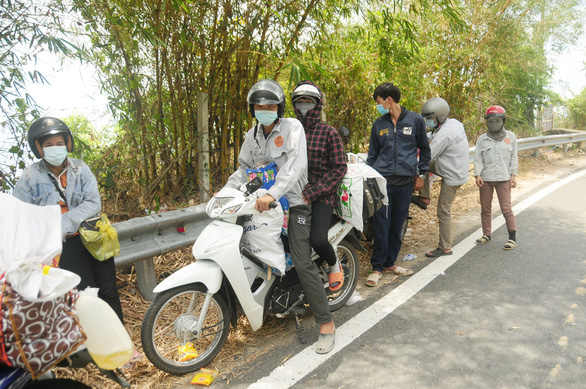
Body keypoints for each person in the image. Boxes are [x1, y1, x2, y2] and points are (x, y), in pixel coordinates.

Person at [224, 79, 336, 354]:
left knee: (301, 258)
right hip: (261, 206)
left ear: (280, 107)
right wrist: (225, 191)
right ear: (253, 109)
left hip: (294, 204)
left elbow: (295, 165)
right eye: (259, 105)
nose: (264, 109)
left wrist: (273, 194)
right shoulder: (252, 135)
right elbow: (244, 169)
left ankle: (326, 323)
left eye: (270, 104)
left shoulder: (291, 128)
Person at [13, 117, 125, 321]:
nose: (55, 148)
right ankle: (98, 345)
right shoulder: (29, 177)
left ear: (68, 144)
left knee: (109, 290)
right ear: (38, 148)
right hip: (65, 246)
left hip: (94, 236)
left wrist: (58, 224)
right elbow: (22, 214)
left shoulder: (81, 169)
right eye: (48, 145)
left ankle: (124, 342)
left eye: (59, 143)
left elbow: (93, 204)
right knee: (85, 294)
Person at [365, 82, 431, 287]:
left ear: (388, 100)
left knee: (397, 225)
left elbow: (425, 150)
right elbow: (372, 156)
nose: (377, 105)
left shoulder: (415, 120)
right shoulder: (379, 125)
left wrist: (421, 175)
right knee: (381, 224)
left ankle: (390, 263)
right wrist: (368, 178)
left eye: (378, 102)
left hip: (404, 184)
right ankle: (377, 267)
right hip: (383, 183)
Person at [291, 80, 348, 292]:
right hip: (292, 194)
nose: (304, 105)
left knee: (317, 239)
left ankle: (334, 263)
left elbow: (340, 167)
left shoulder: (328, 133)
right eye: (300, 101)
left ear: (318, 104)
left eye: (309, 101)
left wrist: (316, 190)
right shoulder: (289, 131)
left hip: (321, 196)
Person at [415, 97, 470, 257]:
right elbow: (432, 136)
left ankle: (445, 247)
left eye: (430, 119)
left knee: (443, 210)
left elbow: (427, 157)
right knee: (424, 167)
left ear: (440, 116)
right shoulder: (453, 123)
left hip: (453, 175)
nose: (428, 122)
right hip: (451, 165)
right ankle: (425, 197)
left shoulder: (446, 134)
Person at [473, 105, 518, 250]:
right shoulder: (482, 139)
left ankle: (512, 237)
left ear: (503, 120)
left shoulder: (510, 137)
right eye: (491, 121)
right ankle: (486, 234)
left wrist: (513, 175)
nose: (494, 124)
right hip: (486, 179)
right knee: (485, 208)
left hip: (504, 178)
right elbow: (478, 159)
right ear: (487, 122)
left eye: (497, 120)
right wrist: (477, 174)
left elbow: (513, 158)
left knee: (506, 209)